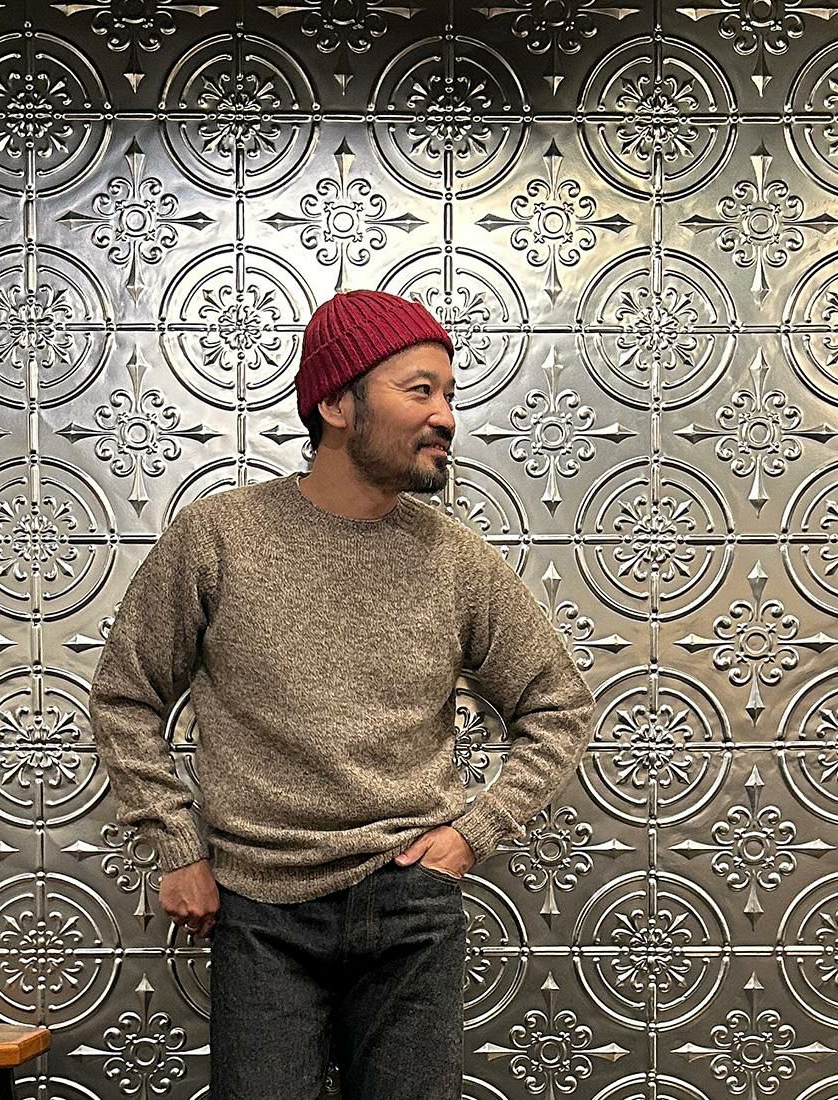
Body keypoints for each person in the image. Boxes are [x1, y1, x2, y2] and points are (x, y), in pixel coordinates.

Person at [88, 288, 597, 1100]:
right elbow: (126, 696)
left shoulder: (454, 559)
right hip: (258, 909)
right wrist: (177, 844)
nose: (445, 417)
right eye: (420, 390)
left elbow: (558, 704)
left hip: (410, 906)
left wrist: (475, 832)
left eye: (450, 394)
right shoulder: (220, 537)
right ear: (334, 403)